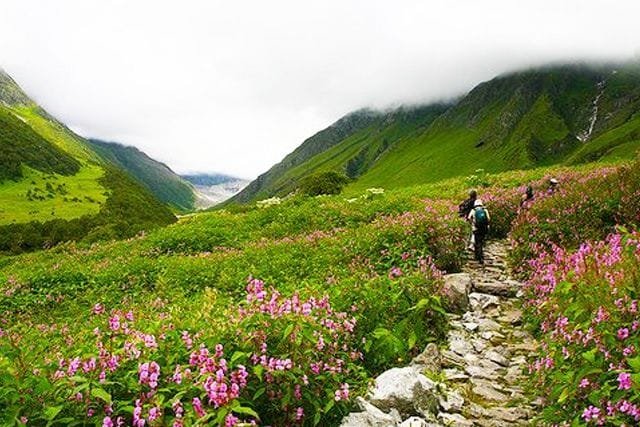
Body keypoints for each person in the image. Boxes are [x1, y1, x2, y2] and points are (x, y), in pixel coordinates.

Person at [468, 199, 490, 264]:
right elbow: (488, 218)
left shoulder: (473, 210)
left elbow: (469, 218)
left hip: (476, 228)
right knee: (481, 242)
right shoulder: (485, 210)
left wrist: (472, 223)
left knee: (477, 242)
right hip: (484, 228)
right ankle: (479, 256)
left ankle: (479, 257)